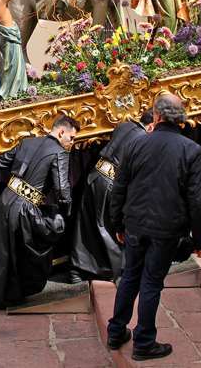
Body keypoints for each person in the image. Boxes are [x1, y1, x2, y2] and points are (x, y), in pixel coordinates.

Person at [106, 95, 201, 362]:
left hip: (135, 225)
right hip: (166, 229)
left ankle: (116, 331)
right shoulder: (191, 150)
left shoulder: (136, 143)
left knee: (130, 276)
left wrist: (117, 222)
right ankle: (144, 342)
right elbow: (198, 200)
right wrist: (200, 239)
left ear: (157, 116)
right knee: (151, 282)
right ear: (181, 119)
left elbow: (119, 188)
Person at [0, 115, 79, 308]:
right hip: (25, 208)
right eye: (72, 138)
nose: (72, 143)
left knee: (2, 250)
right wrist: (66, 212)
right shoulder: (60, 153)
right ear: (62, 132)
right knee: (22, 253)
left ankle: (0, 294)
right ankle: (13, 295)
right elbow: (62, 189)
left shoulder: (27, 142)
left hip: (6, 200)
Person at [70, 111, 154, 282]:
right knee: (107, 227)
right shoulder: (145, 140)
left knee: (86, 225)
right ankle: (113, 269)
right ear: (151, 126)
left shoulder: (124, 125)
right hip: (111, 183)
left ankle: (77, 270)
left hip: (95, 175)